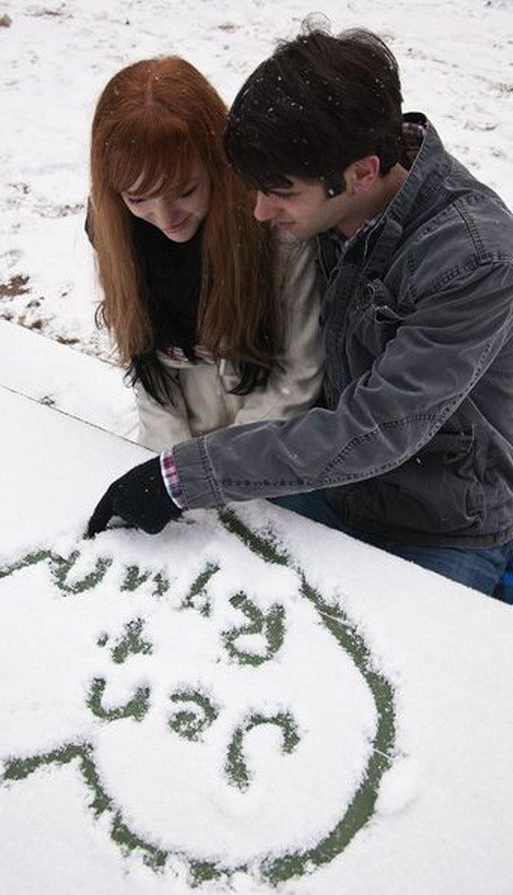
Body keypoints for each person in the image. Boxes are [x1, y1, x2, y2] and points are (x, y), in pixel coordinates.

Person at [87, 28, 513, 597]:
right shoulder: (324, 205)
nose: (259, 212)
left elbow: (374, 428)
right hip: (330, 488)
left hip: (439, 524)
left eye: (280, 193)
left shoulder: (473, 260)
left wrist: (182, 474)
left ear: (361, 172)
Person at [87, 56, 324, 452]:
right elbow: (146, 361)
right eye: (138, 197)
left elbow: (298, 373)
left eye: (184, 191)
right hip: (184, 444)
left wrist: (213, 467)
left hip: (270, 444)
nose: (164, 218)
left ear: (217, 163)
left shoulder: (275, 229)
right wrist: (168, 461)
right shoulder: (116, 230)